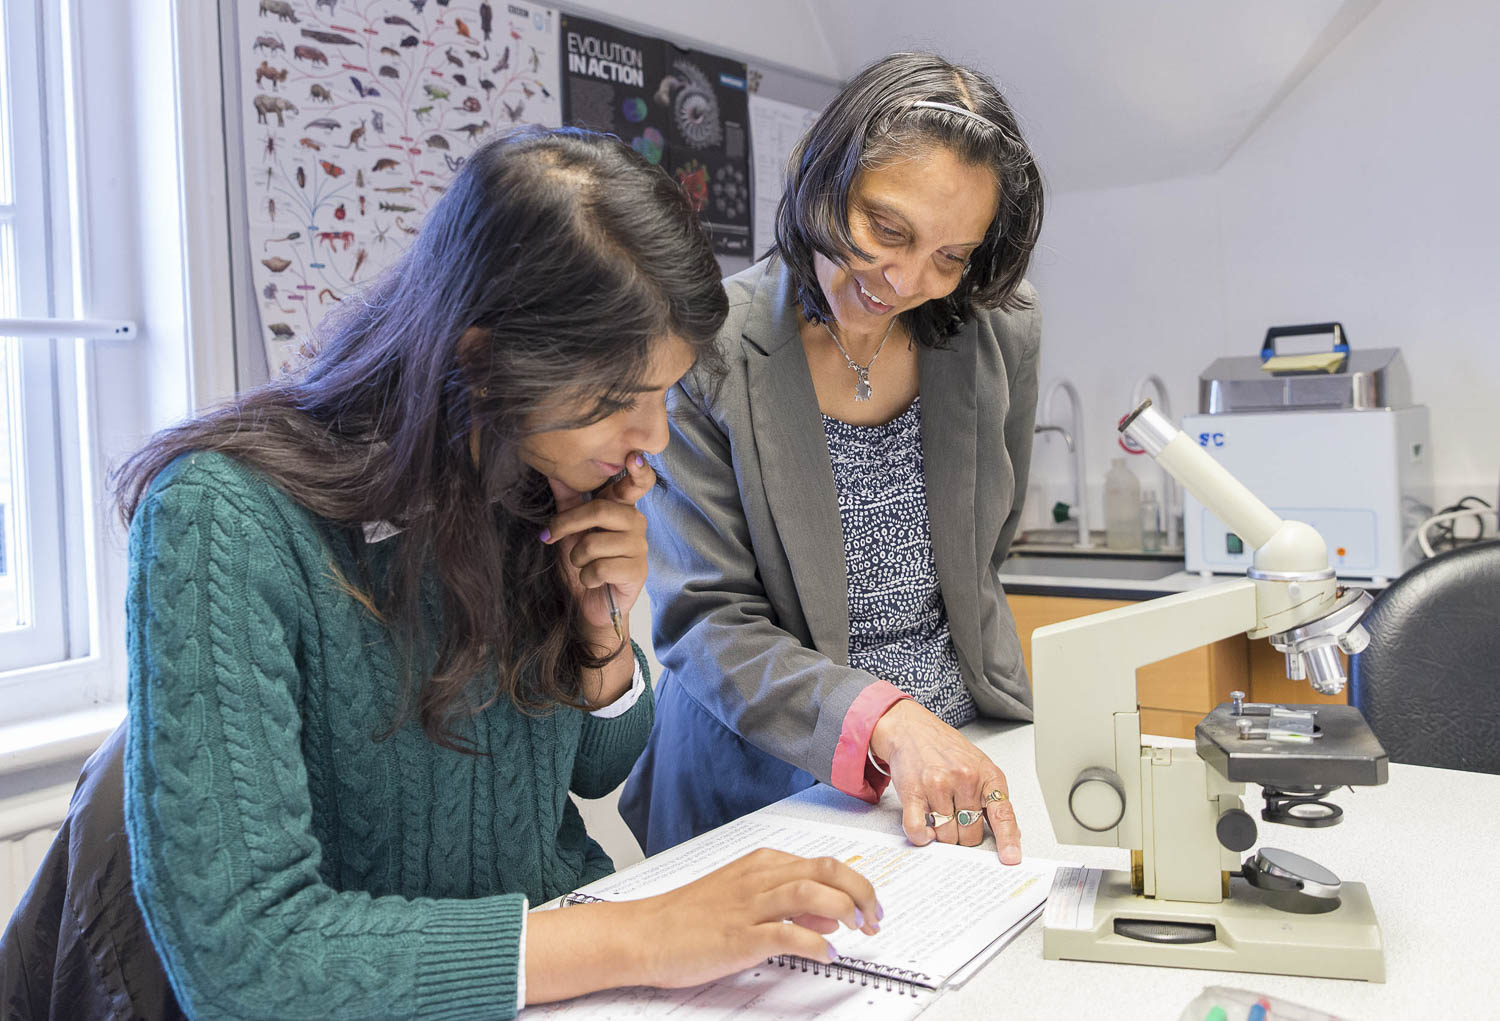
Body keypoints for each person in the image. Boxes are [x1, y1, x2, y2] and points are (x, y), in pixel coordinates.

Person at [7, 128, 881, 1020]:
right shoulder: (222, 519)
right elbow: (248, 960)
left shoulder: (528, 477)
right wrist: (645, 934)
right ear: (481, 360)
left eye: (663, 394)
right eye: (622, 400)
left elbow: (592, 770)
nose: (652, 438)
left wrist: (603, 631)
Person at [620, 54, 1045, 861]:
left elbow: (989, 545)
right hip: (764, 778)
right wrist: (885, 717)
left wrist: (937, 734)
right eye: (887, 229)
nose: (907, 278)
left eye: (950, 256)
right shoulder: (709, 351)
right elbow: (708, 622)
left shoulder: (1001, 330)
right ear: (824, 176)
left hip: (956, 753)